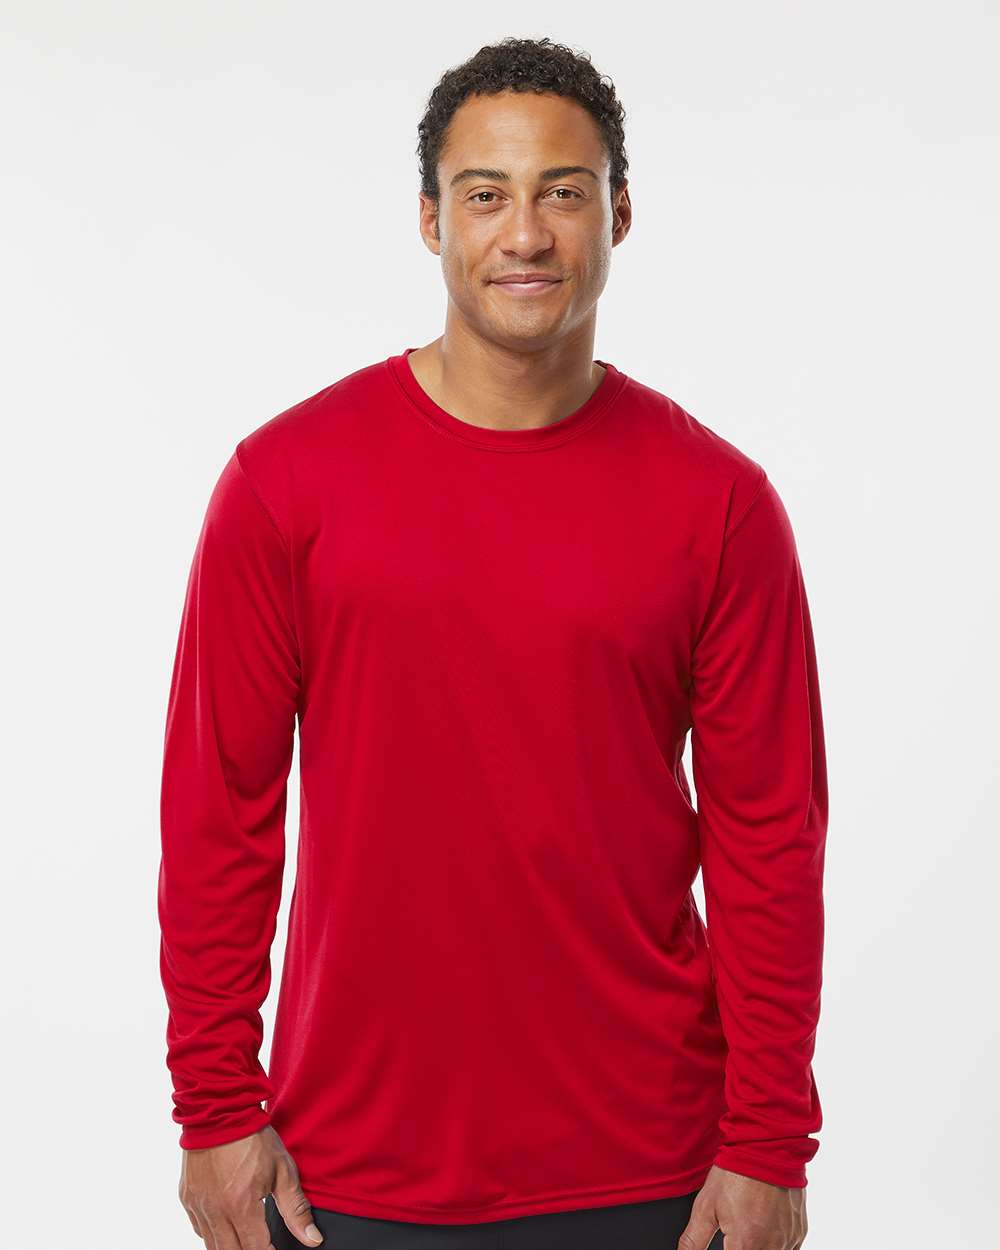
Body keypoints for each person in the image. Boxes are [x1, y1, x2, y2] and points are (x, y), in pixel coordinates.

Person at [158, 35, 827, 1250]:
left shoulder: (719, 504)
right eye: (485, 194)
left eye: (562, 191)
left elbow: (768, 836)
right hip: (345, 1167)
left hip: (652, 1166)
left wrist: (769, 1139)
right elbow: (218, 814)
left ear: (619, 214)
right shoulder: (285, 484)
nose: (525, 233)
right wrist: (213, 1106)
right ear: (430, 219)